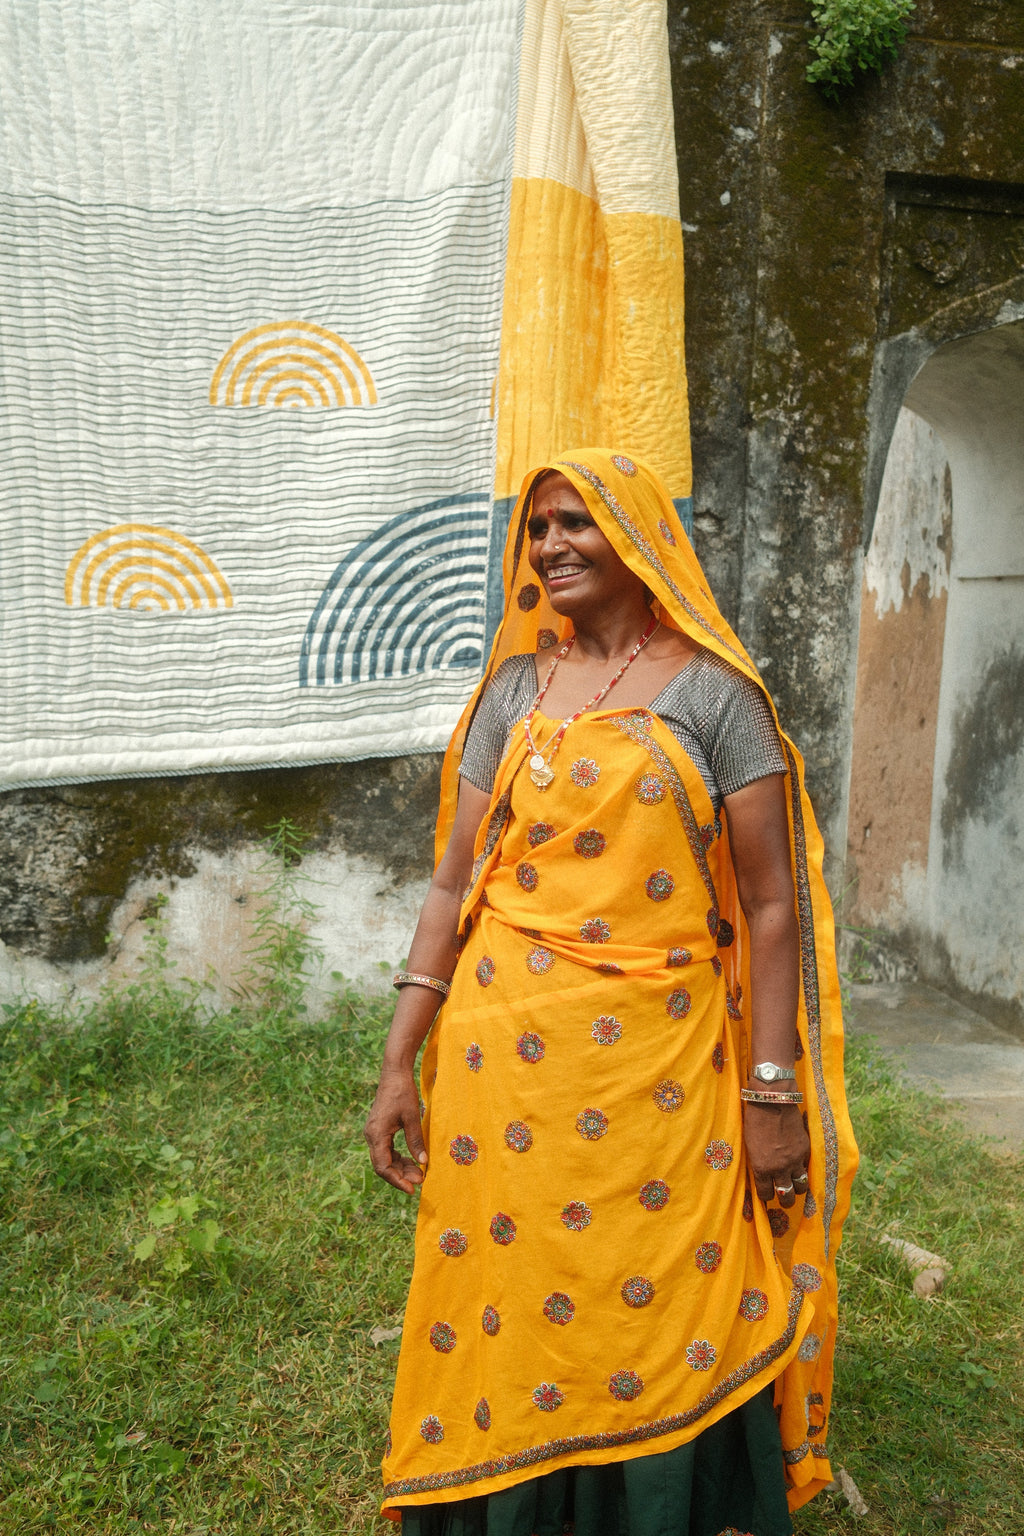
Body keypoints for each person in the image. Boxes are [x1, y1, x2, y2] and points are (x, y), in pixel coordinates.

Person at [364, 448, 857, 1535]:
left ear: (639, 540)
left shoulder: (716, 697)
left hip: (659, 1067)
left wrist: (771, 1094)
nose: (552, 545)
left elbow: (770, 906)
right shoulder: (513, 691)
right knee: (513, 1280)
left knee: (657, 1280)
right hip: (501, 1066)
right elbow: (451, 882)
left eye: (577, 522)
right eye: (539, 527)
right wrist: (400, 1060)